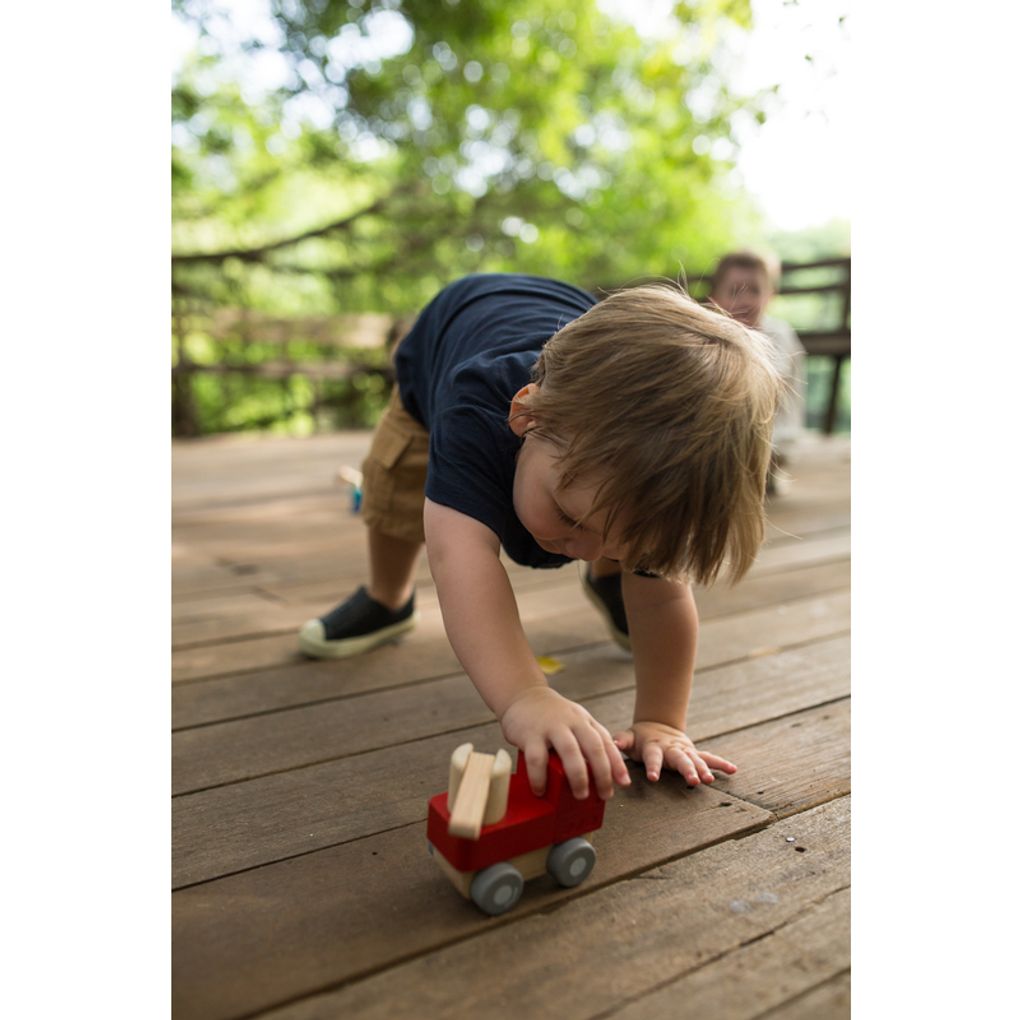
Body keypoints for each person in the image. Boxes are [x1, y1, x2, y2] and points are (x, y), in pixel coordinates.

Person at [298, 273, 781, 802]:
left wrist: (662, 722)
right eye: (571, 519)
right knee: (396, 492)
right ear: (525, 415)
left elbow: (666, 596)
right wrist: (525, 695)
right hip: (442, 346)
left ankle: (612, 582)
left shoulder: (646, 472)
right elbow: (460, 558)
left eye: (617, 551)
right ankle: (387, 600)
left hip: (566, 348)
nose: (585, 550)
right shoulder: (474, 411)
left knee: (623, 541)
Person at [707, 251, 807, 495]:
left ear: (769, 296)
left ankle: (763, 474)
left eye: (754, 290)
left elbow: (768, 384)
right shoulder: (713, 334)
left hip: (773, 441)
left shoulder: (778, 334)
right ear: (715, 300)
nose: (745, 300)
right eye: (735, 291)